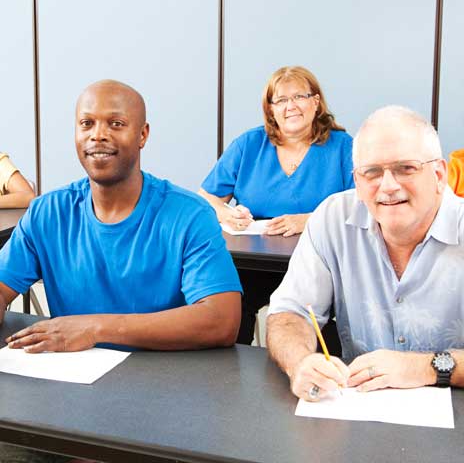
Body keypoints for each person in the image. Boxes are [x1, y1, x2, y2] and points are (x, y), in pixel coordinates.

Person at [0, 79, 242, 462]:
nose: (98, 135)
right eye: (87, 124)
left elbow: (221, 320)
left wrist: (94, 327)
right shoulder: (48, 211)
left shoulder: (188, 215)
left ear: (142, 134)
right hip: (69, 400)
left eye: (115, 124)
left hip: (165, 403)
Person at [267, 105, 464, 403]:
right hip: (358, 414)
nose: (388, 186)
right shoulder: (332, 219)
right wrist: (300, 363)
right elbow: (289, 314)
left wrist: (425, 367)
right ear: (357, 182)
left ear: (438, 175)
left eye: (405, 168)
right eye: (371, 172)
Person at [199, 65, 354, 344]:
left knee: (322, 323)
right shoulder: (249, 143)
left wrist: (309, 219)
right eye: (281, 100)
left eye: (299, 97)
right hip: (255, 263)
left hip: (320, 263)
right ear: (270, 109)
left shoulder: (343, 146)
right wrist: (228, 213)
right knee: (230, 303)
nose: (290, 106)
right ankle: (230, 377)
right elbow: (205, 197)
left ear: (315, 103)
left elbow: (362, 204)